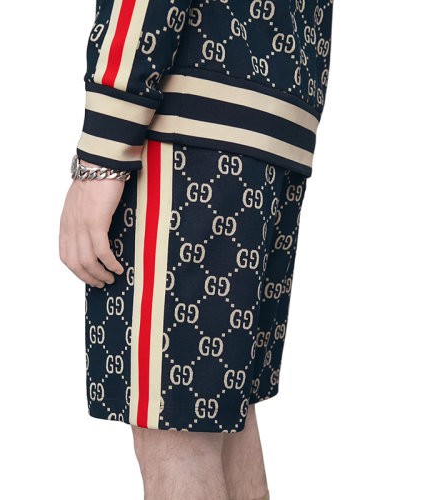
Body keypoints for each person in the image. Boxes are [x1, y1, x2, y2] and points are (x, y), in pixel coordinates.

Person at [59, 1, 333, 498]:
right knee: (221, 423)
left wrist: (102, 153)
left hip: (185, 131)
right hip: (274, 112)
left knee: (173, 435)